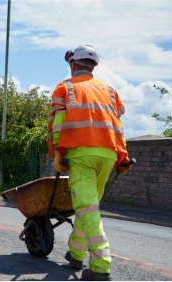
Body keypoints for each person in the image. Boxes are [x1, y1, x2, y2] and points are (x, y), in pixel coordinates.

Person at [47, 45, 132, 281]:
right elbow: (117, 127)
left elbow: (58, 123)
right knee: (88, 207)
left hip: (80, 155)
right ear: (93, 66)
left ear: (72, 64)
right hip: (107, 155)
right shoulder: (110, 91)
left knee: (87, 209)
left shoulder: (65, 87)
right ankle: (75, 255)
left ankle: (100, 267)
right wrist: (122, 158)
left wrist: (57, 153)